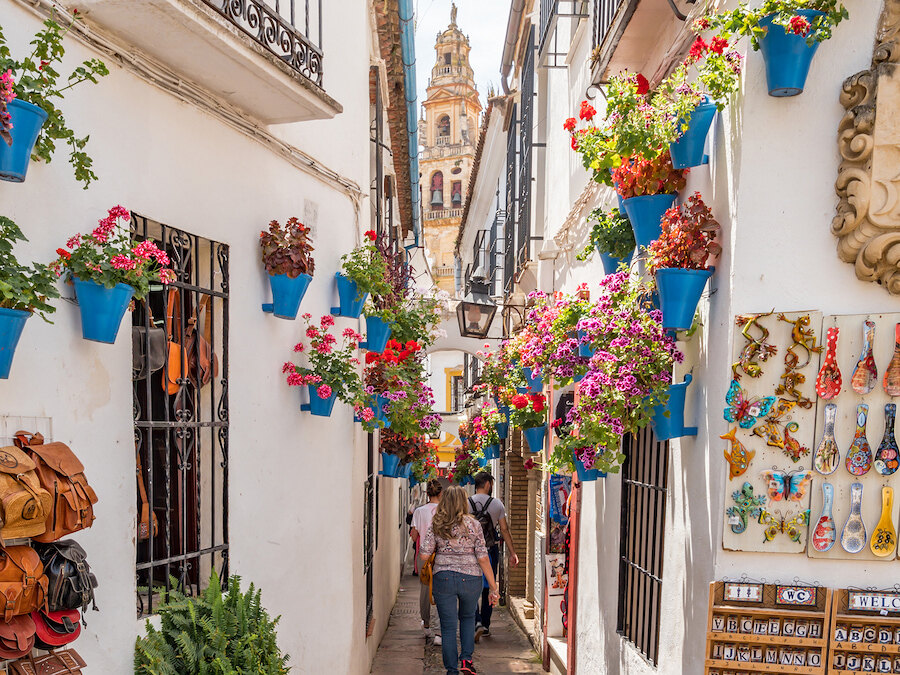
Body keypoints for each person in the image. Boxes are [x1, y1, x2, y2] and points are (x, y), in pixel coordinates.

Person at [420, 485, 499, 675]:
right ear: (464, 502)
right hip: (471, 579)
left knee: (448, 627)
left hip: (443, 578)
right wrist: (494, 587)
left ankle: (451, 670)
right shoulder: (473, 525)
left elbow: (423, 555)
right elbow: (482, 557)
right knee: (467, 618)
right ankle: (466, 660)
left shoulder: (437, 524)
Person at [468, 471, 519, 641]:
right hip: (490, 550)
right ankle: (486, 624)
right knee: (489, 586)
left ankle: (475, 621)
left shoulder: (466, 504)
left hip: (471, 552)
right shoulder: (497, 504)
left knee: (471, 587)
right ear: (488, 484)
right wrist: (512, 552)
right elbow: (504, 530)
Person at [409, 479, 443, 645]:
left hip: (424, 555)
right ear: (441, 493)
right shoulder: (445, 511)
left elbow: (414, 535)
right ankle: (439, 631)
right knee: (442, 590)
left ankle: (427, 624)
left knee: (425, 589)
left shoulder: (419, 511)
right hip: (442, 555)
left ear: (427, 494)